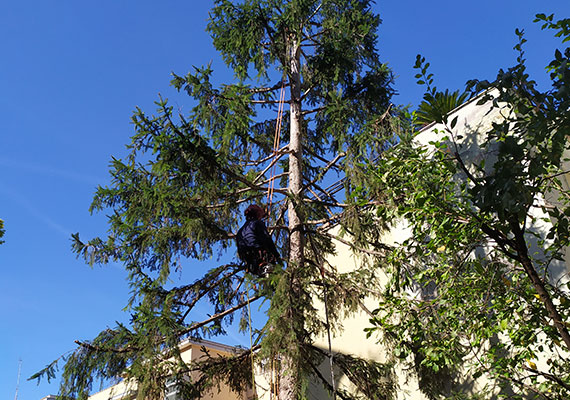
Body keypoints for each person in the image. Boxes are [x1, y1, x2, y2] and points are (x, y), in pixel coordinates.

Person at [236, 204, 280, 276]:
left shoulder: (240, 231)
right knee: (272, 271)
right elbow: (267, 239)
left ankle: (262, 271)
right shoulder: (257, 223)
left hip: (249, 258)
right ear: (257, 214)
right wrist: (276, 255)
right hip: (258, 252)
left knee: (262, 272)